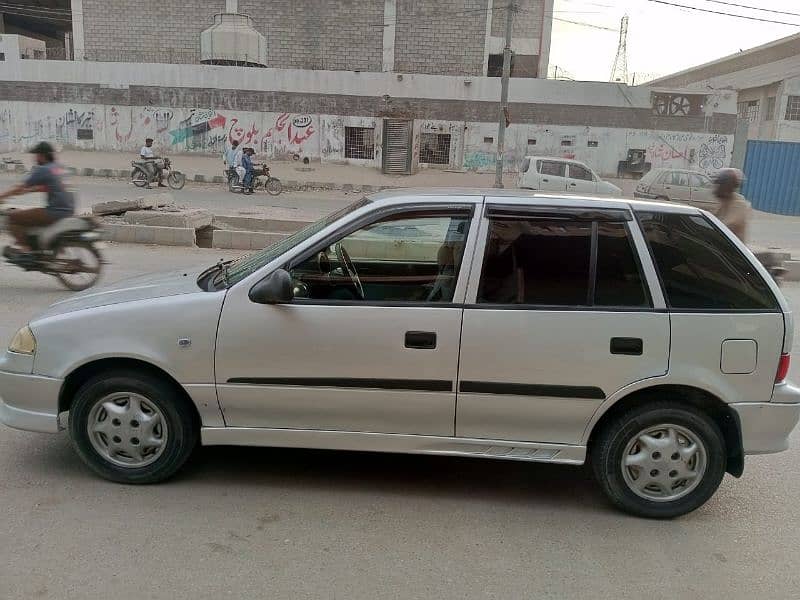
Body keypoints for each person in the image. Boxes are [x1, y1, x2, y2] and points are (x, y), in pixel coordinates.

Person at [0, 141, 76, 255]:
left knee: (12, 217)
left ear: (41, 155)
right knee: (31, 215)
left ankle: (26, 249)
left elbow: (19, 186)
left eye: (36, 155)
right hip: (69, 211)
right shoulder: (59, 168)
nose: (35, 158)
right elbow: (50, 187)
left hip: (54, 212)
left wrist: (3, 196)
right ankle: (50, 245)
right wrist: (27, 191)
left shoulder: (43, 169)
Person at [713, 168, 750, 242]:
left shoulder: (739, 204)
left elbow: (725, 226)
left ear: (729, 187)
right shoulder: (724, 202)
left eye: (721, 185)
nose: (717, 188)